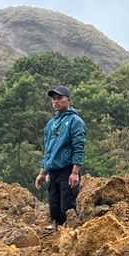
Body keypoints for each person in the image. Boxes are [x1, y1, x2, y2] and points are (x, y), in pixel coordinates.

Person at [35, 85, 87, 230]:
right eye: (53, 99)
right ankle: (55, 234)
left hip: (67, 169)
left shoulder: (75, 121)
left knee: (67, 205)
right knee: (54, 205)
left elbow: (79, 147)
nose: (56, 101)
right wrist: (42, 172)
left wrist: (75, 172)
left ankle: (70, 233)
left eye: (59, 98)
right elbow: (48, 150)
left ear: (68, 100)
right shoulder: (51, 124)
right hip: (53, 170)